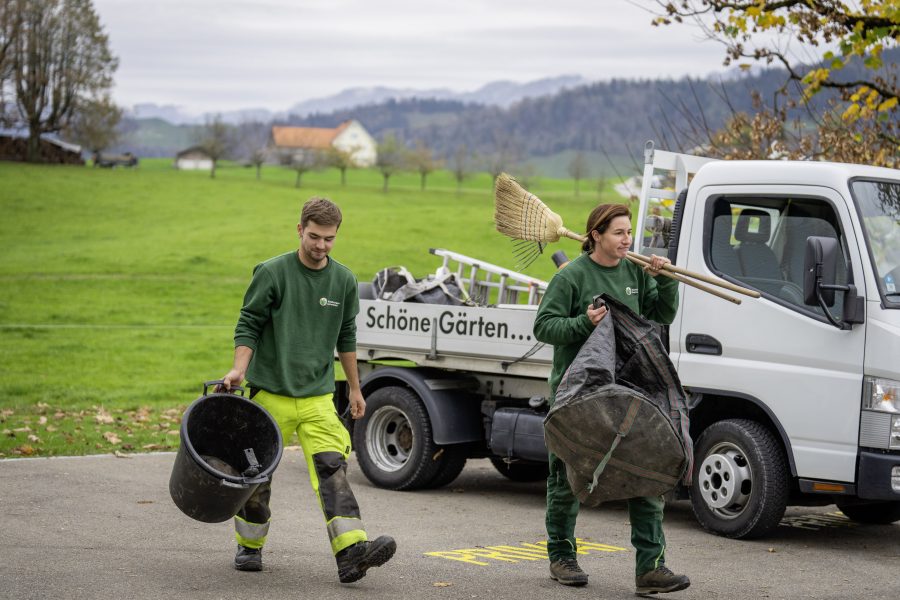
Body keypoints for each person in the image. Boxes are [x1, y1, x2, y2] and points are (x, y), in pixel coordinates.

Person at [220, 197, 396, 583]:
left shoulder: (344, 280)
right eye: (314, 237)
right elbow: (248, 323)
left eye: (329, 239)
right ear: (299, 230)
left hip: (317, 398)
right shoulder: (271, 273)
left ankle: (352, 554)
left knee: (333, 470)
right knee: (255, 475)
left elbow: (346, 336)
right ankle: (249, 547)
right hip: (270, 396)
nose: (321, 246)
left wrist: (355, 387)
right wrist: (238, 369)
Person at [533, 203, 690, 595]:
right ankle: (562, 557)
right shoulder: (571, 277)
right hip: (577, 395)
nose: (627, 239)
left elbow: (661, 314)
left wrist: (666, 278)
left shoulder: (635, 269)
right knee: (567, 478)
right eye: (619, 232)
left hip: (628, 391)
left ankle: (650, 569)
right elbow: (544, 327)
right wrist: (584, 322)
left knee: (645, 472)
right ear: (596, 235)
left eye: (629, 232)